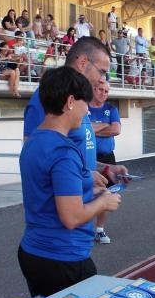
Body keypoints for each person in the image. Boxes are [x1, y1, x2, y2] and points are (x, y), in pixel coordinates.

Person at [18, 67, 122, 297]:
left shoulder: (34, 141)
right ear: (70, 101)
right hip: (63, 257)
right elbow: (71, 217)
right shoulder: (64, 151)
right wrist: (103, 202)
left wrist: (87, 188)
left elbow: (48, 192)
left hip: (34, 251)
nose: (87, 111)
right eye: (85, 103)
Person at [23, 36, 130, 186]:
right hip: (67, 206)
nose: (102, 79)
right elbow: (34, 160)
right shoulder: (47, 98)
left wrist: (105, 169)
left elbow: (81, 157)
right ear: (83, 63)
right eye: (101, 72)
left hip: (84, 202)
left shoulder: (79, 102)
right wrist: (84, 176)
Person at [89, 80, 121, 245]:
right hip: (87, 159)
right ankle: (83, 228)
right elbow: (80, 129)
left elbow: (116, 129)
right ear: (93, 88)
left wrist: (92, 129)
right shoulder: (84, 108)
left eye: (106, 91)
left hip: (107, 158)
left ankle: (99, 230)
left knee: (105, 193)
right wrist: (104, 126)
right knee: (86, 192)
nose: (103, 93)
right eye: (100, 89)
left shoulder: (111, 109)